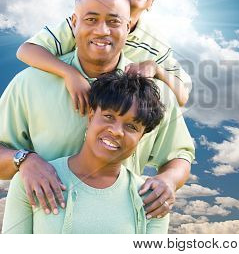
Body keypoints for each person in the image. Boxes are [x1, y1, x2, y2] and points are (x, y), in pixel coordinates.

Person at [0, 0, 194, 222]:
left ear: (128, 26)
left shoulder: (155, 93)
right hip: (43, 227)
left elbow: (180, 154)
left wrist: (169, 180)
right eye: (91, 19)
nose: (102, 31)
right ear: (74, 22)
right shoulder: (29, 83)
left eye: (114, 21)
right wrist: (24, 160)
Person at [2, 71, 170, 233]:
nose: (117, 131)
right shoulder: (32, 181)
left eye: (132, 126)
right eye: (109, 116)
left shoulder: (153, 200)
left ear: (140, 138)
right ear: (90, 117)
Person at [16, 0, 191, 112]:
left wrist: (156, 69)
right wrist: (70, 74)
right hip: (65, 102)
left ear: (151, 2)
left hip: (116, 113)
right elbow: (26, 50)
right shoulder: (84, 23)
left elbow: (182, 97)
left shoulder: (156, 43)